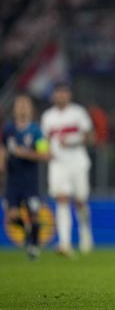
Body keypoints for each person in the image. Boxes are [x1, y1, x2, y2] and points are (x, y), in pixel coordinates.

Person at [41, 83, 94, 256]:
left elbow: (90, 136)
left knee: (80, 200)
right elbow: (43, 140)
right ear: (54, 96)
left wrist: (71, 141)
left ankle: (85, 232)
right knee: (61, 199)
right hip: (58, 163)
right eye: (58, 93)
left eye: (64, 93)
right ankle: (65, 243)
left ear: (69, 95)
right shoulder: (47, 117)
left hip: (77, 161)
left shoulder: (78, 113)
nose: (61, 96)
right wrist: (45, 151)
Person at [0, 94, 50, 260]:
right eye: (19, 104)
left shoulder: (36, 130)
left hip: (30, 180)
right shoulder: (8, 129)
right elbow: (2, 148)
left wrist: (25, 153)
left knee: (33, 213)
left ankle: (34, 246)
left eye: (25, 105)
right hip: (13, 180)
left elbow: (44, 154)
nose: (21, 108)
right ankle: (27, 232)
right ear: (14, 109)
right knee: (12, 215)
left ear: (30, 109)